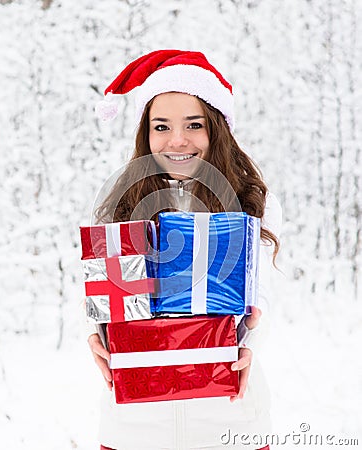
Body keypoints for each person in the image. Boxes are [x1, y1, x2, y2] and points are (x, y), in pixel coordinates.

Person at [86, 50, 282, 450]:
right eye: (162, 126)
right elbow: (97, 296)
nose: (178, 140)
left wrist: (250, 337)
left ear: (217, 129)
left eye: (194, 124)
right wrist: (92, 331)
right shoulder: (118, 205)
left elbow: (267, 295)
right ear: (147, 133)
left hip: (230, 423)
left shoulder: (252, 203)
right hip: (134, 428)